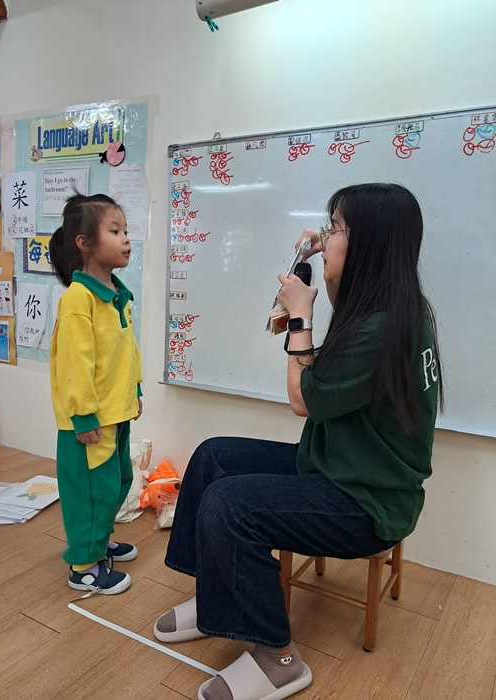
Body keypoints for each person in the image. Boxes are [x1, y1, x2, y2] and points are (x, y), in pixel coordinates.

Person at [152, 183, 443, 700]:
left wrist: (301, 316)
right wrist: (326, 261)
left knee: (229, 505)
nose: (326, 236)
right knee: (212, 456)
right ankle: (215, 594)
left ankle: (279, 659)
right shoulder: (395, 307)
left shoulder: (383, 329)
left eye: (336, 229)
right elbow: (345, 315)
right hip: (337, 466)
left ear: (368, 244)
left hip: (367, 503)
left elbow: (302, 398)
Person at [49, 193, 143, 595]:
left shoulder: (117, 295)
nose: (126, 239)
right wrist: (82, 415)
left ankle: (99, 540)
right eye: (115, 231)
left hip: (115, 411)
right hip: (89, 419)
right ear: (84, 243)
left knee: (117, 481)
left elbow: (125, 351)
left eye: (126, 231)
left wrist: (135, 390)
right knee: (90, 492)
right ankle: (83, 565)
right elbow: (74, 364)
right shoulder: (78, 299)